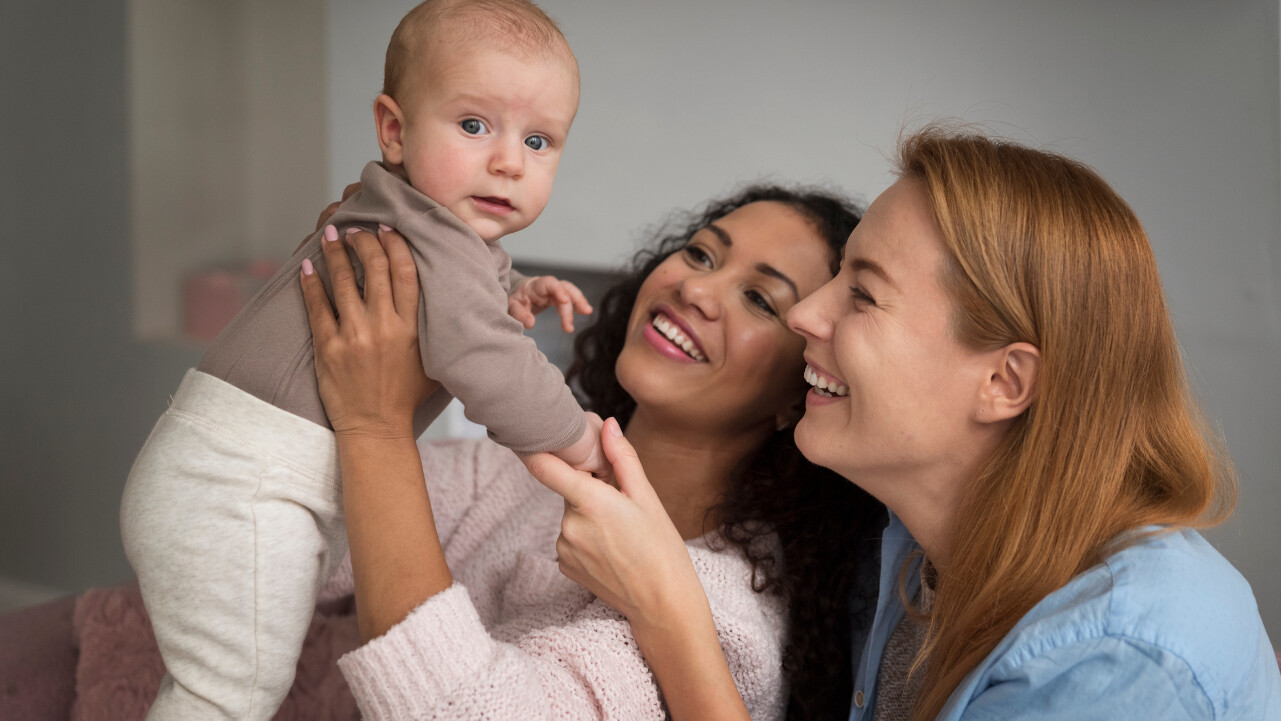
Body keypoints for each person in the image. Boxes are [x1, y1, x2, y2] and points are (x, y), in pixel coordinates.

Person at [528, 127, 1281, 720]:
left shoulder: (1120, 661)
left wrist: (672, 618)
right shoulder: (903, 548)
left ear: (1002, 380)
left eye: (861, 296)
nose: (804, 317)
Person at [119, 1, 601, 718]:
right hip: (240, 487)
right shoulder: (428, 236)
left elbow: (462, 301)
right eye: (474, 125)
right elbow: (489, 364)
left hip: (226, 474)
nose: (508, 159)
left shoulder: (417, 222)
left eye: (539, 141)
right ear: (394, 129)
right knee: (225, 692)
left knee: (227, 681)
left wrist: (516, 289)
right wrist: (580, 438)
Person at [298, 185, 886, 719]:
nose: (696, 289)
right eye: (702, 254)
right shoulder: (514, 473)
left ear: (799, 393)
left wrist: (375, 426)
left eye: (759, 299)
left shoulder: (730, 615)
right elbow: (299, 531)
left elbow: (464, 710)